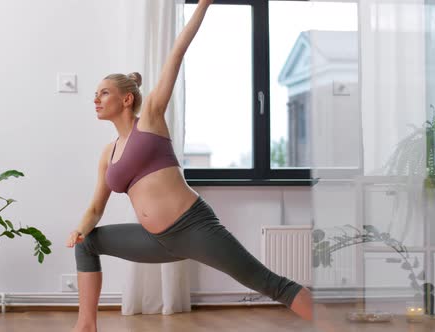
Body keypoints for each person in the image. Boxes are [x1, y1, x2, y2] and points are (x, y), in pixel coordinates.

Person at [66, 1, 312, 331]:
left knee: (270, 284)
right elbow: (96, 206)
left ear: (126, 99)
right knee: (89, 243)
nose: (96, 99)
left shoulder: (150, 119)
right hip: (156, 240)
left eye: (104, 93)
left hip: (195, 227)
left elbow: (178, 50)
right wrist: (81, 228)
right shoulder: (107, 152)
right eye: (95, 94)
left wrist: (204, 4)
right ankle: (86, 326)